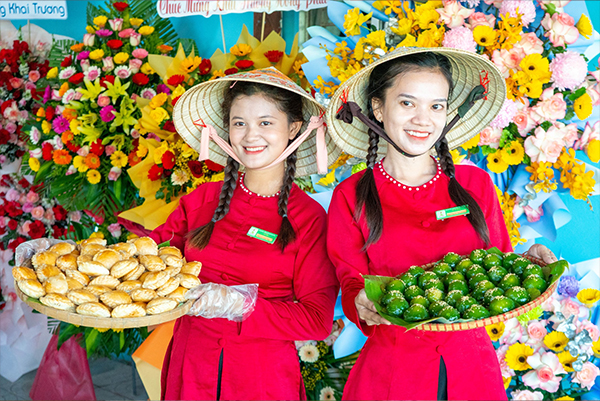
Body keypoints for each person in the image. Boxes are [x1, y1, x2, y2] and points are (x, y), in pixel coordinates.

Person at [325, 48, 558, 400]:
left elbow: (497, 267)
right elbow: (351, 281)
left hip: (473, 373)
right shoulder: (351, 194)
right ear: (378, 108)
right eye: (407, 103)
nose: (423, 120)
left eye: (436, 106)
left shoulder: (476, 184)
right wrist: (360, 302)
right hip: (392, 376)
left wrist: (530, 261)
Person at [150, 68, 341, 400]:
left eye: (265, 123)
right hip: (190, 365)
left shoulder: (309, 219)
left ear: (293, 128)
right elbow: (151, 259)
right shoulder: (201, 200)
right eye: (239, 123)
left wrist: (241, 304)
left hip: (260, 378)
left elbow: (316, 320)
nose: (251, 135)